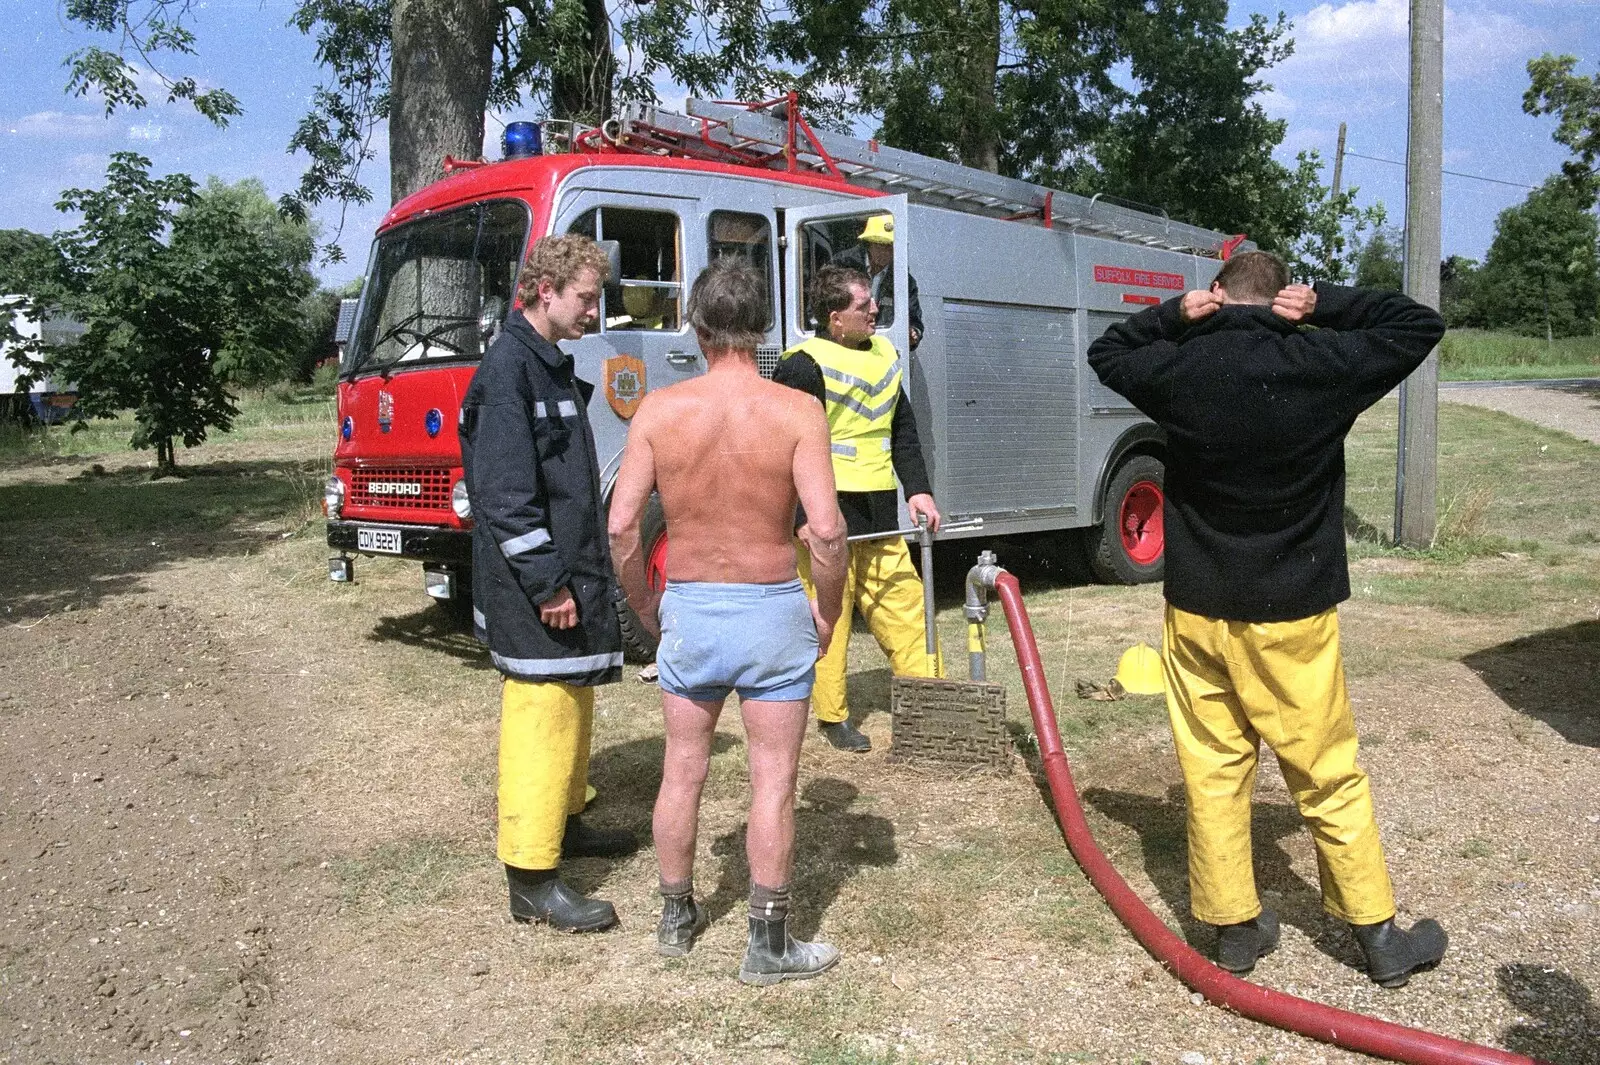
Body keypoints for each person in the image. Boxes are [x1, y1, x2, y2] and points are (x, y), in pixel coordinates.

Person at [1086, 250, 1450, 987]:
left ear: (1218, 295)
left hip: (1197, 604)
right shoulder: (1323, 359)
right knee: (1326, 772)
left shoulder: (1181, 365)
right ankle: (1378, 936)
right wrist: (1326, 305)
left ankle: (1233, 929)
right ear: (1283, 294)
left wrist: (1172, 314)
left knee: (1214, 770)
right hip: (1293, 606)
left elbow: (1107, 349)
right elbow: (1420, 323)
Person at [609, 260, 849, 983]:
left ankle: (677, 915)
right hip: (771, 605)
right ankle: (768, 943)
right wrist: (829, 610)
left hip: (693, 606)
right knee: (773, 778)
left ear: (697, 325)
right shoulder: (796, 411)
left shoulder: (658, 411)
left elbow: (623, 528)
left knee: (681, 770)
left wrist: (649, 606)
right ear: (765, 326)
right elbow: (829, 533)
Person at [459, 234, 638, 934]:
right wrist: (546, 585)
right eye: (587, 298)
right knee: (543, 713)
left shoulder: (542, 363)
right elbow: (504, 497)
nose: (597, 310)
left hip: (564, 578)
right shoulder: (509, 371)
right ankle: (532, 878)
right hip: (537, 588)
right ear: (543, 291)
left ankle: (563, 822)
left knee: (572, 699)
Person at [771, 265, 941, 753]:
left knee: (906, 607)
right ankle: (832, 715)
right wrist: (802, 518)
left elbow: (901, 429)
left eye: (872, 303)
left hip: (880, 507)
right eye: (863, 305)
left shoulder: (887, 355)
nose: (875, 310)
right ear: (834, 318)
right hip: (827, 512)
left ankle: (931, 698)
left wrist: (918, 489)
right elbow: (782, 448)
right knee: (831, 617)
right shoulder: (801, 365)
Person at [833, 213, 924, 349]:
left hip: (881, 350)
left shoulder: (904, 280)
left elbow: (915, 320)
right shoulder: (842, 265)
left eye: (891, 246)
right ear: (869, 244)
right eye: (881, 245)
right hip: (844, 345)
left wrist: (913, 333)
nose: (886, 251)